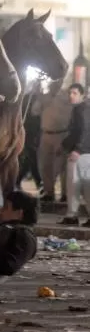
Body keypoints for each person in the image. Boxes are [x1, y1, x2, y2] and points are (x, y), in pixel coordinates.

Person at [59, 83, 90, 226]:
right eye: (70, 93)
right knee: (83, 185)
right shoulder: (81, 109)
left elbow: (84, 131)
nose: (71, 96)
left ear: (82, 95)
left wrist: (77, 149)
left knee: (75, 185)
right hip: (83, 152)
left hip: (80, 154)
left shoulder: (82, 109)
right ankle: (72, 215)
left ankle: (72, 215)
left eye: (74, 93)